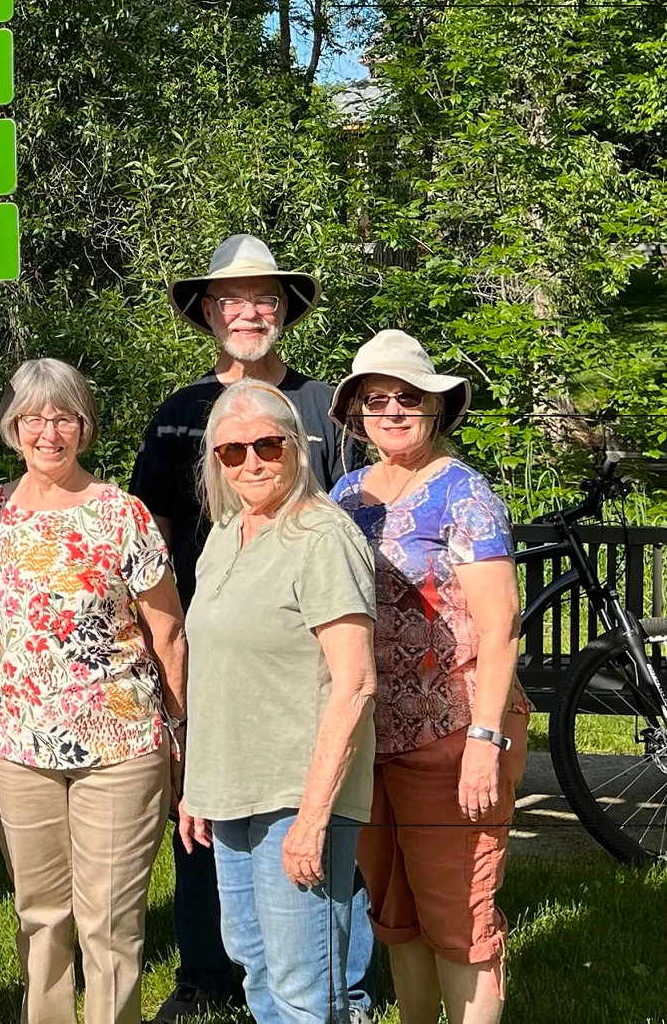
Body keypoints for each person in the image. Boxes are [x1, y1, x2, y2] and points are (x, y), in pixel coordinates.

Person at [128, 235, 369, 1022]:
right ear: (208, 311)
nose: (251, 458)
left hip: (304, 664)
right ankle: (205, 977)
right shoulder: (179, 415)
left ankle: (348, 988)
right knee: (223, 868)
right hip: (215, 653)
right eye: (233, 299)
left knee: (310, 894)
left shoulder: (326, 408)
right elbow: (150, 537)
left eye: (264, 298)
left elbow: (353, 523)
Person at [0, 359, 188, 1024]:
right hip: (18, 742)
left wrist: (181, 733)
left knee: (109, 920)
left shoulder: (121, 512)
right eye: (32, 417)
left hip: (121, 742)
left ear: (84, 425)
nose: (47, 431)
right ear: (12, 426)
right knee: (40, 915)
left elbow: (168, 632)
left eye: (63, 416)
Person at [329, 331, 526, 1024]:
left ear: (434, 406)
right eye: (373, 399)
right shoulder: (347, 492)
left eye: (405, 397)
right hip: (371, 734)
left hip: (453, 729)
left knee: (458, 915)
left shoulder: (463, 494)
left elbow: (501, 625)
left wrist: (484, 739)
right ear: (356, 413)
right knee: (395, 910)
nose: (389, 411)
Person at [177, 381, 376, 1024]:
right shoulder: (225, 535)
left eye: (266, 444)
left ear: (296, 445)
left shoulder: (323, 536)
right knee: (255, 963)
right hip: (233, 790)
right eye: (232, 451)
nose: (251, 462)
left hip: (297, 792)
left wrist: (314, 819)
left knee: (304, 984)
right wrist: (198, 787)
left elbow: (355, 682)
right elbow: (215, 668)